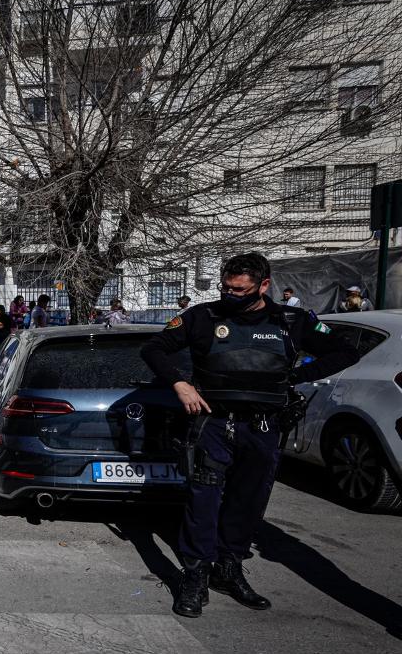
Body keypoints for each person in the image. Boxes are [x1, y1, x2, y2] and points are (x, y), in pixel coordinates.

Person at [140, 252, 359, 620]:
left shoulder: (291, 320)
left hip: (262, 427)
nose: (231, 295)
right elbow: (154, 348)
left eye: (240, 290)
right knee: (203, 501)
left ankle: (229, 568)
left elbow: (345, 352)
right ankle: (195, 575)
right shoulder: (203, 316)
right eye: (226, 287)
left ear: (263, 285)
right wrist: (180, 384)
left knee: (248, 500)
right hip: (213, 424)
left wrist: (294, 379)